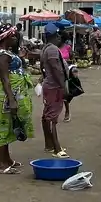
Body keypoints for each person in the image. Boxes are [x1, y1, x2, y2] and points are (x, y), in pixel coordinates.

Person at [0, 25, 35, 174]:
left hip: (12, 94)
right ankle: (1, 164)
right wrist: (12, 99)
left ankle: (7, 159)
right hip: (5, 96)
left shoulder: (8, 53)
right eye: (13, 36)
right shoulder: (2, 55)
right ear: (5, 38)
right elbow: (5, 79)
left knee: (8, 126)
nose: (16, 39)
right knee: (1, 127)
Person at [40, 24, 69, 158]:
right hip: (54, 86)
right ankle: (56, 148)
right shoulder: (52, 49)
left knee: (47, 115)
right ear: (55, 36)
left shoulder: (46, 48)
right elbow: (57, 69)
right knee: (52, 117)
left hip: (49, 85)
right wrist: (63, 86)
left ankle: (49, 144)